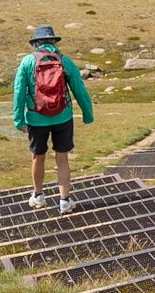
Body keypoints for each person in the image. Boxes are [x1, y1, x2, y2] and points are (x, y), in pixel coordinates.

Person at [11, 25, 94, 212]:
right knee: (62, 158)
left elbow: (19, 92)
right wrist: (87, 114)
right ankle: (65, 200)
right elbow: (79, 89)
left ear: (36, 43)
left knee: (37, 157)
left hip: (35, 117)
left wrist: (19, 120)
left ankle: (38, 196)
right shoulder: (65, 61)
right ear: (54, 42)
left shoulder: (27, 62)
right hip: (63, 116)